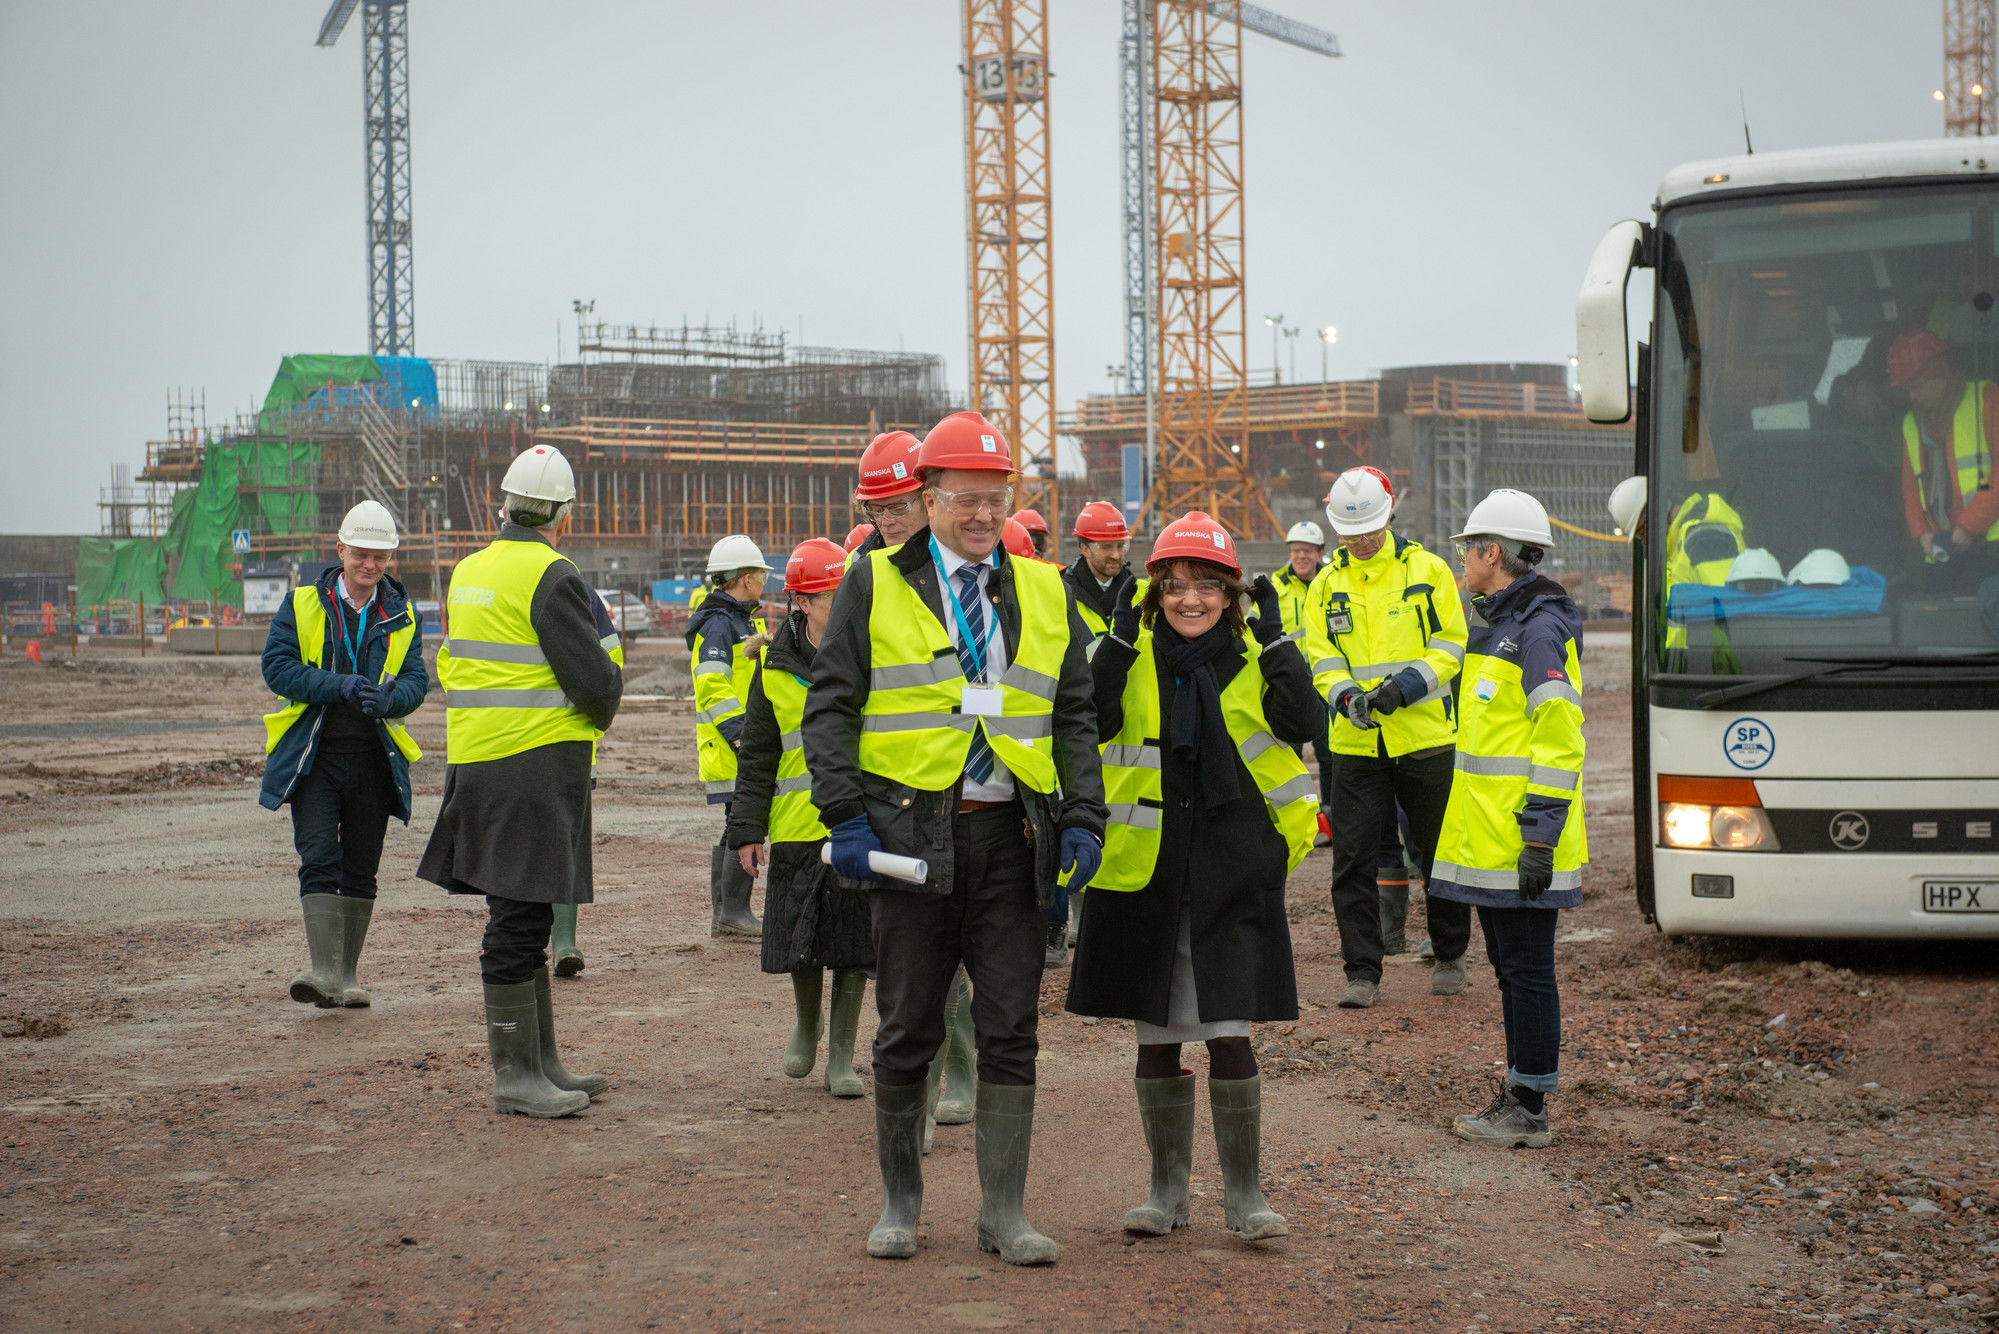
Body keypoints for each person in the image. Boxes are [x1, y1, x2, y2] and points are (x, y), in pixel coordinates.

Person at [804, 410, 1107, 1266]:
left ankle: (1001, 1213)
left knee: (1012, 1027)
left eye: (995, 499)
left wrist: (1082, 814)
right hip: (910, 836)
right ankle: (901, 1204)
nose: (982, 515)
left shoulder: (1044, 588)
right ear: (927, 499)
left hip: (1013, 837)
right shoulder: (871, 581)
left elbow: (1074, 712)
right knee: (907, 1027)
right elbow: (829, 707)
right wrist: (845, 816)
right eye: (966, 500)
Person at [1069, 511, 1319, 1242]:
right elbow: (1091, 717)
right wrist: (1113, 643)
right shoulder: (1130, 655)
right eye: (1174, 587)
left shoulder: (1249, 660)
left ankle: (1244, 1196)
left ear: (1230, 595)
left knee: (1230, 1034)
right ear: (1152, 595)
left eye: (1206, 588)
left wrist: (1277, 642)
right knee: (1155, 1039)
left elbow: (1305, 721)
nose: (1189, 601)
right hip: (1147, 877)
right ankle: (1165, 1191)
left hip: (1229, 877)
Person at [417, 444, 622, 1118]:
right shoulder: (552, 573)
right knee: (517, 918)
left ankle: (540, 1063)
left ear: (501, 504)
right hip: (534, 763)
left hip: (479, 759)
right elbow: (592, 683)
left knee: (523, 912)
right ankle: (516, 1076)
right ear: (563, 512)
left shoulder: (470, 569)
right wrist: (607, 688)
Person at [1433, 488, 1586, 1150]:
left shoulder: (1534, 630)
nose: (1462, 561)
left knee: (1525, 971)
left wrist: (1538, 838)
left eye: (1468, 549)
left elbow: (1559, 739)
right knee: (1512, 969)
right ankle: (1522, 1093)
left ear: (1492, 553)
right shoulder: (1501, 625)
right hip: (1493, 841)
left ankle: (1528, 1107)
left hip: (1518, 842)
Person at [1303, 466, 1472, 1007]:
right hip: (1355, 744)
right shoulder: (1328, 583)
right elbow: (1321, 656)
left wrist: (1406, 686)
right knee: (1352, 859)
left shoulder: (1429, 570)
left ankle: (1448, 954)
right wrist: (1347, 696)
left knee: (1438, 853)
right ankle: (1362, 973)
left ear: (1389, 516)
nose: (1361, 541)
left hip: (1422, 737)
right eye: (1350, 533)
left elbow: (1451, 644)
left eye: (1370, 530)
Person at [260, 499, 429, 1008]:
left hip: (375, 762)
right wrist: (338, 686)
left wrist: (392, 697)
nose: (369, 564)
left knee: (361, 866)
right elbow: (277, 668)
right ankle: (322, 973)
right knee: (319, 857)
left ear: (389, 558)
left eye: (379, 556)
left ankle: (346, 977)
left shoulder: (401, 613)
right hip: (314, 759)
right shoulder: (302, 605)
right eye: (360, 554)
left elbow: (419, 679)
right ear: (341, 550)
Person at [727, 539, 875, 1098]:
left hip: (855, 822)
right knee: (800, 936)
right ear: (802, 603)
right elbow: (759, 754)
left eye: (844, 594)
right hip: (795, 826)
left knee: (855, 943)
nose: (840, 605)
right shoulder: (773, 667)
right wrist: (746, 829)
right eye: (828, 596)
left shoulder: (868, 654)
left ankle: (842, 1055)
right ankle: (806, 1026)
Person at [688, 535, 772, 938]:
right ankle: (733, 913)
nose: (763, 580)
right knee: (741, 823)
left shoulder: (739, 620)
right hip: (732, 742)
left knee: (733, 823)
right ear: (743, 577)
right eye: (759, 573)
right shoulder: (721, 624)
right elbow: (713, 688)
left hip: (737, 740)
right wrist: (742, 735)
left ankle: (728, 913)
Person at [548, 589, 626, 978]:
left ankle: (563, 941)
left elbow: (609, 667)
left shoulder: (575, 589)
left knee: (566, 846)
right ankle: (530, 943)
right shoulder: (485, 581)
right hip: (509, 745)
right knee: (525, 846)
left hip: (566, 744)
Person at [1889, 329, 1999, 586]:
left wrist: (1969, 526)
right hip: (1942, 552)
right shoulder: (1910, 423)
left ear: (1939, 374)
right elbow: (1910, 489)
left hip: (1991, 549)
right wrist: (1922, 534)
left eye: (1916, 386)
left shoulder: (1987, 400)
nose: (1911, 396)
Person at [1270, 519, 1333, 844]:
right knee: (1289, 748)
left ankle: (1331, 813)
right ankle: (1295, 811)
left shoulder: (1330, 581)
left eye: (1307, 550)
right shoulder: (1276, 585)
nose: (1301, 556)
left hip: (1325, 675)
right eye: (1295, 550)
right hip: (1290, 680)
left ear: (1319, 553)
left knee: (1327, 749)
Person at [1063, 501, 1138, 646]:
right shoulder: (1061, 594)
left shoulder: (1140, 592)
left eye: (1121, 546)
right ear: (1085, 549)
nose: (1116, 555)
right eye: (1106, 547)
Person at [849, 430, 928, 563]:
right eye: (876, 510)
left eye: (898, 508)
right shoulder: (858, 562)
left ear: (929, 501)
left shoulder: (961, 557)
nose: (886, 522)